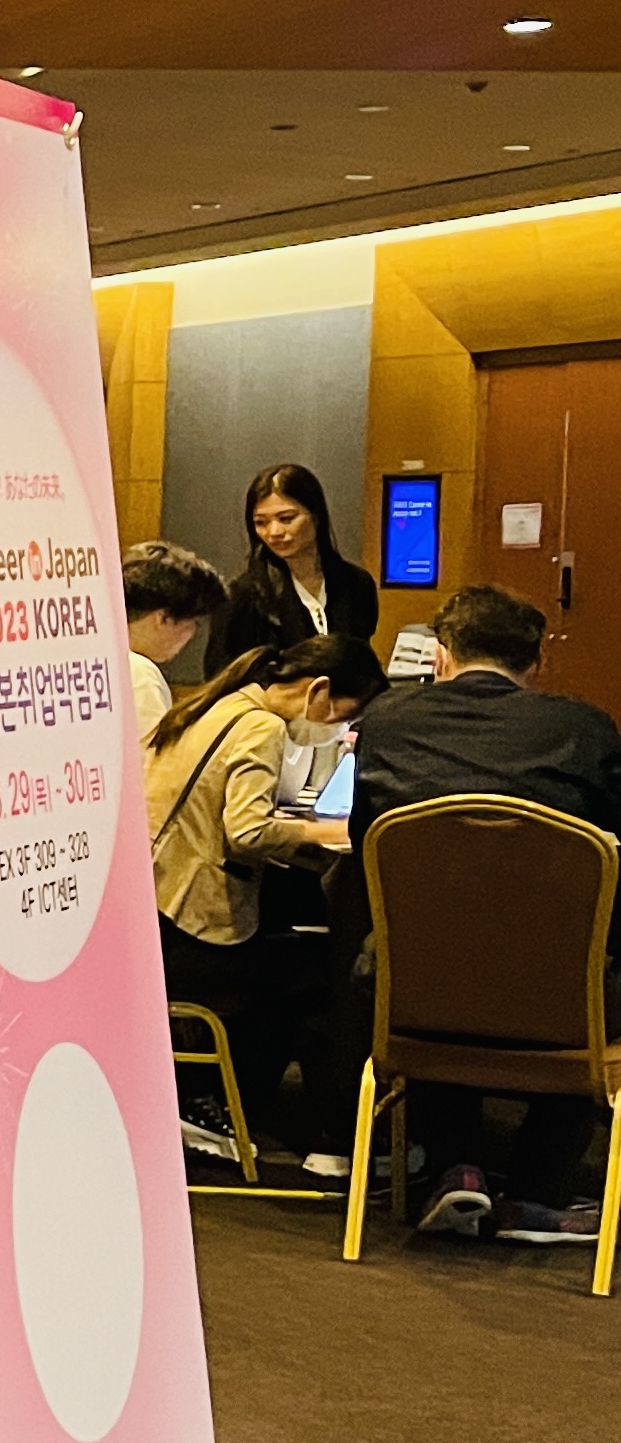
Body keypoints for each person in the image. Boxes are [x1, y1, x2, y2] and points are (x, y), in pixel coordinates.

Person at [334, 583, 621, 1236]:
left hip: (413, 993)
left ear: (440, 654)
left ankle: (455, 1167)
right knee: (586, 962)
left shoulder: (387, 721)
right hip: (559, 997)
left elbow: (365, 841)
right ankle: (538, 1190)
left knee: (433, 943)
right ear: (537, 661)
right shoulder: (585, 729)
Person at [146, 634, 377, 1157]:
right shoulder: (262, 726)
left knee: (291, 954)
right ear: (319, 691)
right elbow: (247, 832)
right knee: (318, 976)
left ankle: (221, 1100)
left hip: (154, 909)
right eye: (345, 715)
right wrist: (321, 832)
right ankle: (225, 1105)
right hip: (188, 924)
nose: (338, 730)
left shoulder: (215, 704)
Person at [206, 463, 381, 671]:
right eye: (261, 522)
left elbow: (363, 662)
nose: (274, 532)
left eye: (286, 519)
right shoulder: (242, 594)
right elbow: (221, 674)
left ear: (315, 515)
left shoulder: (357, 583)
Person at [123, 541, 230, 739]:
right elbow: (152, 756)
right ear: (164, 618)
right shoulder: (140, 675)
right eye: (194, 623)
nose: (193, 634)